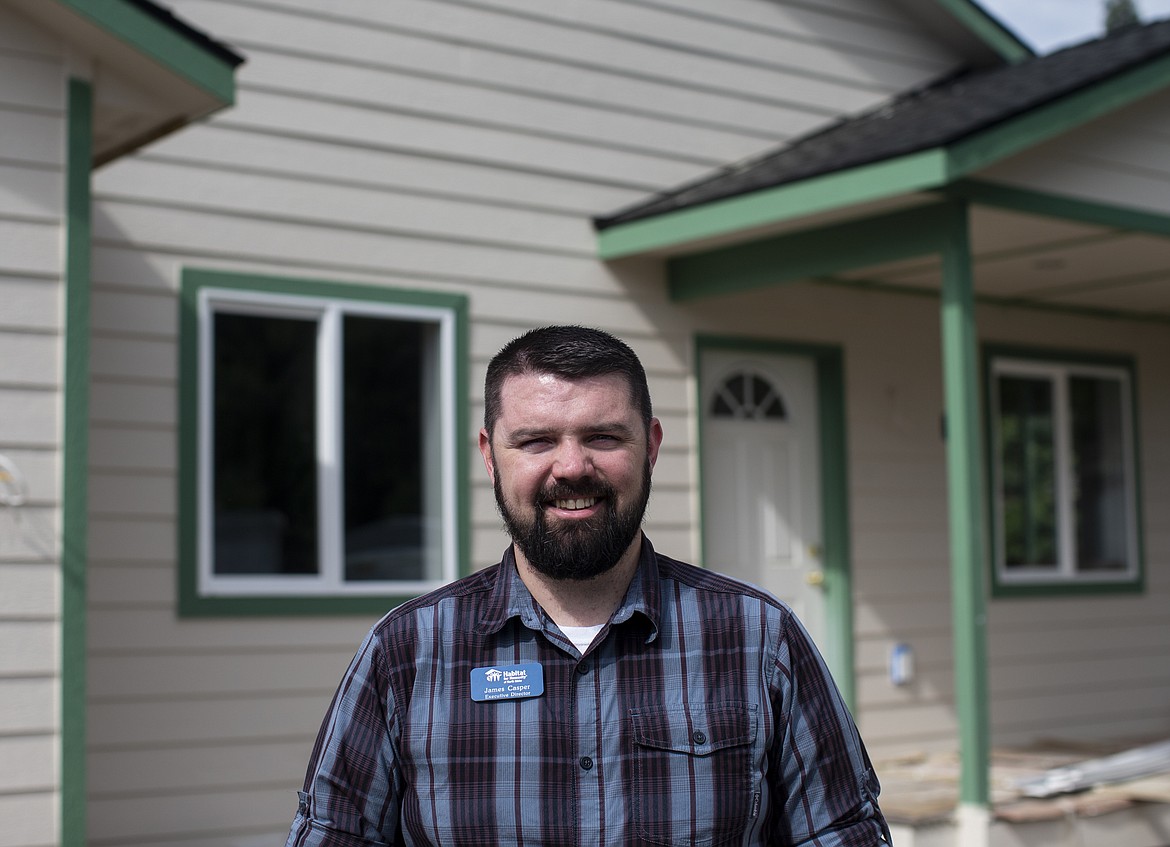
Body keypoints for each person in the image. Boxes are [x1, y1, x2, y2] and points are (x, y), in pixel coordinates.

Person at [285, 325, 891, 846]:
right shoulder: (406, 654)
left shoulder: (760, 641)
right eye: (536, 440)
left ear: (651, 447)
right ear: (490, 456)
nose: (572, 466)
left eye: (603, 437)